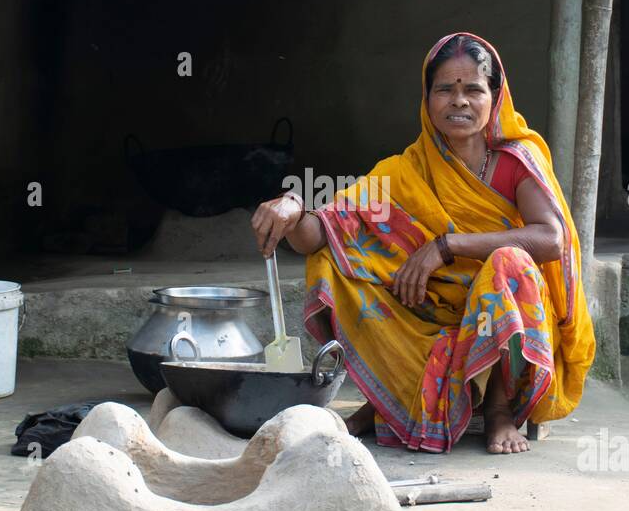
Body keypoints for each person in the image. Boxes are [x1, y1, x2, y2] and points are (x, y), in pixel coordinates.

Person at [251, 32, 594, 454]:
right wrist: (292, 206)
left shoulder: (516, 161)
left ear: (496, 96)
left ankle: (499, 407)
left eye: (473, 89)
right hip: (431, 306)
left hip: (504, 303)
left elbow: (550, 239)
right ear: (427, 98)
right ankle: (386, 402)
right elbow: (319, 234)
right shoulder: (406, 170)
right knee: (336, 256)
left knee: (511, 262)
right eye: (444, 89)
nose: (459, 101)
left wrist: (446, 246)